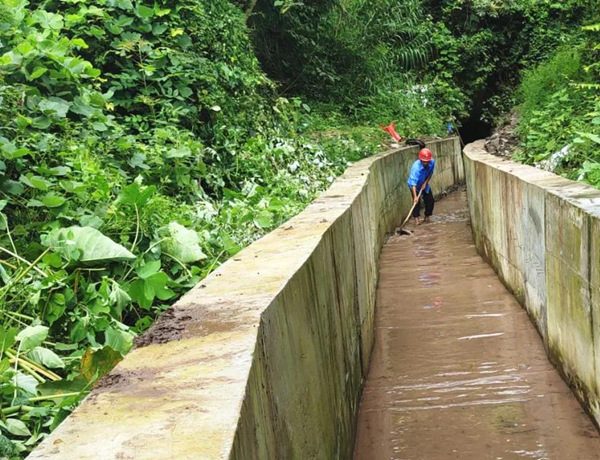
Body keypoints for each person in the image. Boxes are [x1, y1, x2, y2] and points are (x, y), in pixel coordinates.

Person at [407, 148, 435, 226]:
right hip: (414, 186)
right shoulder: (416, 168)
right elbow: (413, 184)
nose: (425, 163)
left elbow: (430, 173)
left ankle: (427, 216)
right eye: (424, 161)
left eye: (427, 161)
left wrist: (425, 183)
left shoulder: (432, 162)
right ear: (420, 160)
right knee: (416, 202)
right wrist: (415, 197)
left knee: (430, 201)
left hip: (424, 183)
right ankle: (416, 220)